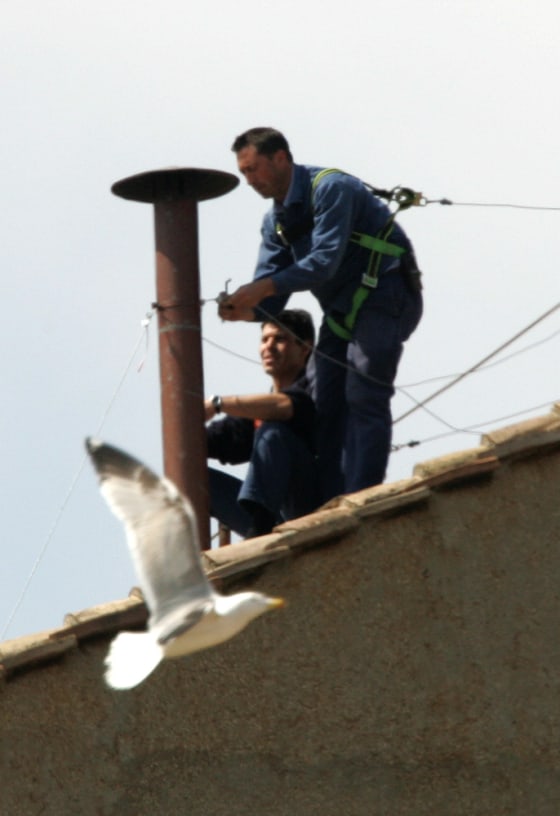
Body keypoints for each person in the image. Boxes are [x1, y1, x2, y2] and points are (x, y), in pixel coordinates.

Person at [218, 127, 423, 502]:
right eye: (244, 172)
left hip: (385, 294)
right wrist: (242, 312)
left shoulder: (330, 188)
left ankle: (364, 498)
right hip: (342, 312)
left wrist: (261, 289)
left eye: (254, 169)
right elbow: (271, 299)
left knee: (364, 392)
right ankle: (333, 501)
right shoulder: (274, 222)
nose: (250, 180)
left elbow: (323, 262)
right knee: (323, 404)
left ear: (281, 157)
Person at [205, 308, 319, 538]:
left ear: (304, 348)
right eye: (264, 339)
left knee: (273, 432)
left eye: (279, 339)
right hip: (279, 519)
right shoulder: (259, 413)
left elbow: (285, 407)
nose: (268, 346)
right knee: (193, 477)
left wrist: (218, 403)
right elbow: (217, 440)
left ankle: (259, 529)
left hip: (313, 505)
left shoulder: (317, 390)